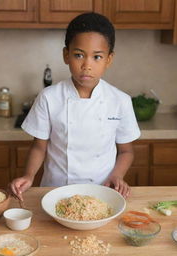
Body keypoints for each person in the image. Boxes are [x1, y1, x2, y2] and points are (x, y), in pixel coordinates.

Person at [9, 12, 140, 200]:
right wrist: (29, 176)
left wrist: (116, 176)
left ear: (109, 59)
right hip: (55, 192)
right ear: (66, 55)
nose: (87, 65)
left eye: (97, 57)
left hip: (103, 193)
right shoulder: (49, 98)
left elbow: (126, 151)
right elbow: (39, 147)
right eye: (79, 55)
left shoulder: (120, 100)